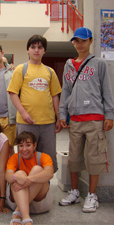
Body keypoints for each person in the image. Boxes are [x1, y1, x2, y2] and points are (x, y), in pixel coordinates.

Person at [59, 27, 114, 213]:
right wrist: (61, 115)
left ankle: (92, 195)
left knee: (94, 158)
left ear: (90, 41)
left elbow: (107, 91)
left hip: (95, 119)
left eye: (83, 40)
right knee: (74, 158)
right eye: (76, 41)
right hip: (74, 119)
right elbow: (65, 91)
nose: (79, 44)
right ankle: (74, 192)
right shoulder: (68, 65)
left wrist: (110, 115)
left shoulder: (99, 64)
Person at [7, 34, 62, 172]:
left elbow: (55, 96)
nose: (36, 50)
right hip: (26, 122)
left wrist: (58, 117)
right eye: (33, 47)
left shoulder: (50, 71)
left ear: (44, 51)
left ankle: (43, 187)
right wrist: (23, 113)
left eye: (40, 47)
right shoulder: (21, 69)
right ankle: (25, 188)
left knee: (47, 159)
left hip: (47, 123)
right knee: (26, 158)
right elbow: (13, 93)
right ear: (28, 50)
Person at [6, 131, 54, 225]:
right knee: (19, 174)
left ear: (34, 145)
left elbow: (50, 173)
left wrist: (27, 180)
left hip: (39, 202)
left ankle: (18, 212)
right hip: (17, 198)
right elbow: (8, 176)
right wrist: (17, 177)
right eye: (21, 146)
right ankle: (26, 218)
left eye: (28, 145)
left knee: (37, 170)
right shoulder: (15, 158)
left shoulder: (43, 157)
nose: (24, 149)